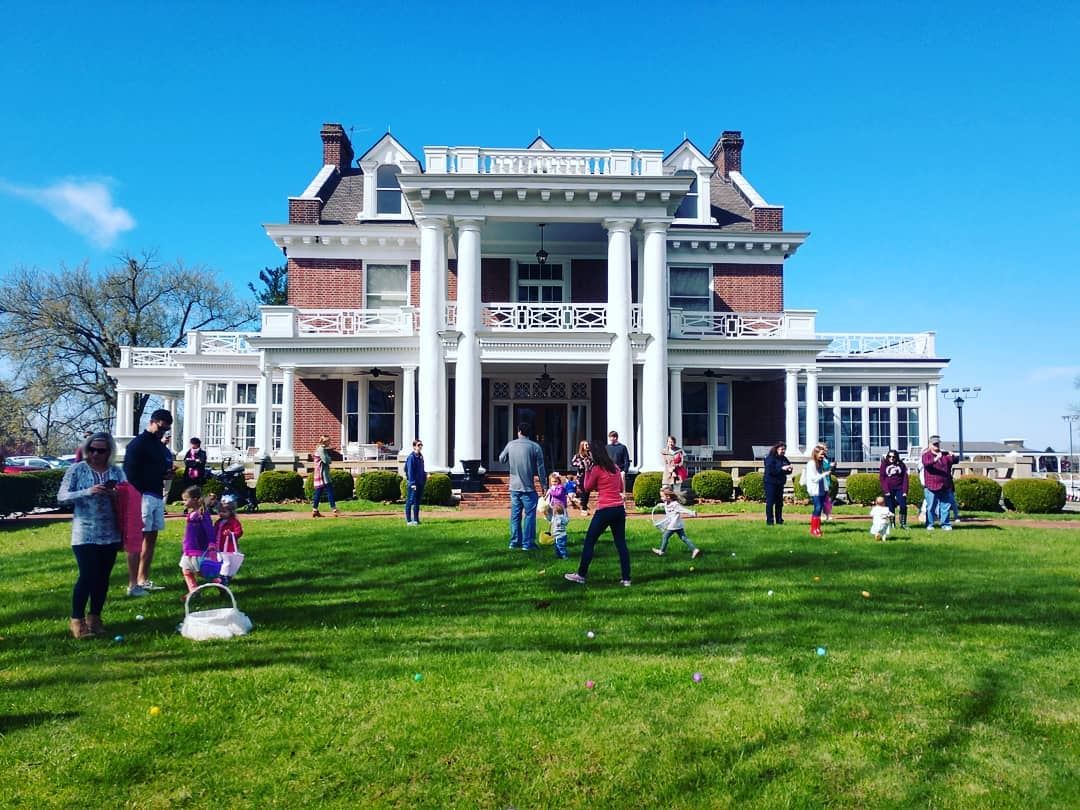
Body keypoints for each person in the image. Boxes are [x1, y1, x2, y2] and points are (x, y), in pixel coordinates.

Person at [57, 432, 125, 638]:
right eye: (92, 450)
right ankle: (77, 620)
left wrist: (115, 494)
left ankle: (95, 618)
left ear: (109, 452)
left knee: (103, 577)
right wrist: (87, 491)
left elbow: (128, 495)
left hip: (110, 531)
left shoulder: (116, 471)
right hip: (84, 531)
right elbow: (62, 497)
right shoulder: (77, 469)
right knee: (87, 575)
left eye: (101, 451)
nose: (95, 454)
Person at [123, 408, 174, 596]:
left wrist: (165, 474)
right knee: (137, 539)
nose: (162, 432)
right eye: (160, 428)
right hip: (141, 495)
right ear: (152, 422)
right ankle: (133, 584)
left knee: (151, 538)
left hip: (156, 494)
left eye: (166, 429)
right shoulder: (138, 444)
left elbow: (158, 469)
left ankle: (143, 579)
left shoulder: (159, 446)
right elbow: (129, 472)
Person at [564, 440, 631, 586]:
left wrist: (587, 470)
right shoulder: (615, 468)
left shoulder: (596, 469)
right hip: (619, 509)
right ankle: (626, 579)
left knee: (590, 541)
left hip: (605, 509)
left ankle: (581, 575)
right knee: (621, 544)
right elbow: (620, 487)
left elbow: (587, 487)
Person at [499, 423, 547, 550]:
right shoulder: (535, 447)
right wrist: (544, 485)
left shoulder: (511, 445)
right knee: (529, 516)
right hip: (528, 487)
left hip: (514, 487)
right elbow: (541, 469)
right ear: (529, 433)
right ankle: (528, 543)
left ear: (519, 431)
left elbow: (501, 459)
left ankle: (514, 542)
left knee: (515, 516)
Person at [179, 485, 215, 594]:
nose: (184, 502)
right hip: (189, 548)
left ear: (194, 500)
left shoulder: (202, 514)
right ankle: (193, 591)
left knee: (201, 572)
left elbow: (209, 529)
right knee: (186, 570)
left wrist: (212, 542)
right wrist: (184, 544)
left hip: (198, 548)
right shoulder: (191, 514)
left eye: (186, 499)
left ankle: (219, 582)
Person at [652, 486, 701, 558]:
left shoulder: (675, 504)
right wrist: (660, 504)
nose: (661, 498)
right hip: (678, 525)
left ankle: (661, 551)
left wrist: (692, 512)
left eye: (662, 496)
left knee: (665, 536)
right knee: (683, 538)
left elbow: (683, 510)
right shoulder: (667, 503)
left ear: (668, 496)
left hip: (673, 525)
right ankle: (694, 550)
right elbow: (666, 506)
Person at [921, 436, 957, 531]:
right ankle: (930, 524)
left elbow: (955, 461)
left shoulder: (944, 455)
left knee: (945, 506)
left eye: (937, 444)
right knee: (931, 506)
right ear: (930, 445)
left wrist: (953, 456)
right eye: (934, 444)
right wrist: (936, 459)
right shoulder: (926, 455)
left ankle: (945, 524)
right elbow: (926, 463)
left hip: (945, 484)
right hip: (931, 485)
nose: (936, 445)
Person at [800, 444, 830, 537]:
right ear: (816, 453)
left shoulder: (820, 462)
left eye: (823, 454)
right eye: (821, 454)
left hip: (822, 488)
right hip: (815, 489)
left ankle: (818, 528)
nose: (823, 456)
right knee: (817, 507)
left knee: (819, 508)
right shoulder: (811, 463)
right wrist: (824, 474)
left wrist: (826, 487)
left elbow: (823, 473)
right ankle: (813, 529)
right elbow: (814, 478)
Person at [215, 498, 244, 586]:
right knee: (220, 562)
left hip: (229, 547)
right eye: (220, 511)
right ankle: (222, 576)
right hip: (219, 546)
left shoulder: (234, 522)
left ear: (231, 512)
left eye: (224, 512)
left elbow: (239, 532)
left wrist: (231, 534)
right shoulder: (218, 522)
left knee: (227, 563)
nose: (221, 513)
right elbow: (215, 531)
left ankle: (225, 577)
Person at [763, 441, 793, 525]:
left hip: (780, 483)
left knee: (779, 503)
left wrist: (789, 469)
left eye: (784, 449)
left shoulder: (784, 458)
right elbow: (771, 471)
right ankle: (770, 521)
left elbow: (787, 468)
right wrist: (782, 468)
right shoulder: (770, 458)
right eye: (782, 449)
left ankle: (779, 520)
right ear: (776, 449)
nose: (783, 451)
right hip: (770, 483)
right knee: (770, 502)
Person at [879, 449, 910, 529]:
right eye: (890, 456)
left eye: (893, 457)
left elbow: (905, 478)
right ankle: (892, 524)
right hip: (889, 489)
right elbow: (882, 478)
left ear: (896, 457)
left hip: (899, 488)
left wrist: (905, 491)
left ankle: (903, 524)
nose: (891, 458)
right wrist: (886, 490)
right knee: (890, 506)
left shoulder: (901, 465)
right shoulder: (884, 464)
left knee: (903, 505)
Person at [311, 435, 340, 518]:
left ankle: (315, 510)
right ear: (325, 442)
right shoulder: (321, 449)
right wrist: (329, 458)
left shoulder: (320, 449)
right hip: (322, 474)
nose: (330, 442)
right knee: (330, 491)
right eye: (329, 441)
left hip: (320, 473)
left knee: (318, 492)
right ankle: (334, 509)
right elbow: (325, 460)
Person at [404, 439, 426, 526]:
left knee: (417, 502)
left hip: (420, 482)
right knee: (410, 501)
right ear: (414, 446)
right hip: (413, 483)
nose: (420, 446)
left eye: (421, 445)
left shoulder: (420, 456)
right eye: (418, 445)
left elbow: (422, 469)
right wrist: (412, 483)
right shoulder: (411, 457)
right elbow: (409, 471)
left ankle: (416, 520)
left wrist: (424, 477)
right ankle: (409, 521)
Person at [570, 441, 594, 515]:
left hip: (589, 475)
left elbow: (593, 462)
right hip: (581, 475)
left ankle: (584, 506)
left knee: (587, 491)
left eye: (588, 445)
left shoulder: (590, 455)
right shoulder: (578, 455)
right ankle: (583, 507)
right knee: (583, 491)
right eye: (586, 445)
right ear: (582, 446)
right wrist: (580, 464)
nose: (587, 446)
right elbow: (572, 463)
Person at [821, 444, 835, 521]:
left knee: (827, 498)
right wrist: (830, 466)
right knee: (823, 498)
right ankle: (823, 514)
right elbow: (822, 468)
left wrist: (832, 466)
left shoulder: (826, 458)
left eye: (826, 448)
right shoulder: (820, 459)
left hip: (828, 479)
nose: (826, 450)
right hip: (822, 480)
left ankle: (827, 514)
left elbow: (829, 469)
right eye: (825, 448)